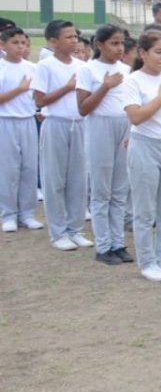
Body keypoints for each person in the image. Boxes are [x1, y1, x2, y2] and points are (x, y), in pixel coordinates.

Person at [123, 29, 161, 282]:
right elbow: (135, 116)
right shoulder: (133, 81)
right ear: (142, 53)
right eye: (158, 52)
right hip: (144, 145)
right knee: (145, 209)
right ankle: (147, 262)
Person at [77, 24, 133, 265]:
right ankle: (103, 245)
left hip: (123, 125)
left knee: (119, 189)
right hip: (100, 125)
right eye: (113, 43)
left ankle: (118, 242)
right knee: (101, 189)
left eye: (121, 43)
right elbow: (83, 108)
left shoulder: (127, 70)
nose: (119, 48)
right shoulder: (88, 70)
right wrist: (105, 86)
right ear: (99, 45)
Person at [34, 20, 91, 251]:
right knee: (54, 179)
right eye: (68, 37)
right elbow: (40, 101)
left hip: (79, 125)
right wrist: (67, 88)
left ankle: (75, 229)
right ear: (53, 41)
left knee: (78, 179)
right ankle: (58, 232)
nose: (74, 41)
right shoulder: (45, 66)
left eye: (75, 36)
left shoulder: (82, 66)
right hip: (55, 123)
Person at [0, 27, 42, 233]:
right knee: (8, 169)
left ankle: (27, 213)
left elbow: (39, 96)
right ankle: (8, 214)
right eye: (15, 43)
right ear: (3, 45)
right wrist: (19, 89)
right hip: (5, 121)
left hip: (28, 121)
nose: (20, 47)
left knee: (29, 168)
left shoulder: (32, 68)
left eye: (23, 43)